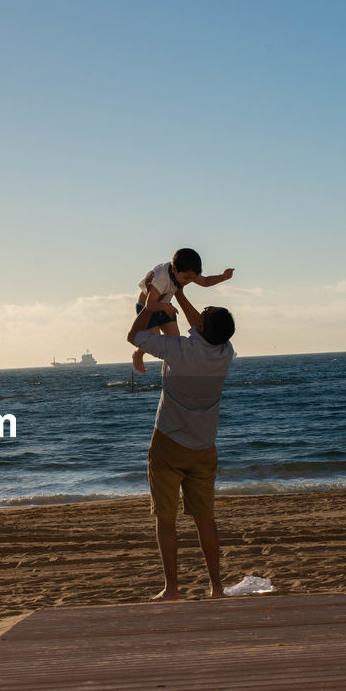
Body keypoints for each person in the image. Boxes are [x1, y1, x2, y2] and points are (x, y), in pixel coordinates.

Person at [126, 276, 236, 600]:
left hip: (169, 444)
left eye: (203, 313)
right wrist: (184, 293)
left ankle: (172, 588)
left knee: (166, 519)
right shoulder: (225, 353)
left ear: (200, 326)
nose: (198, 314)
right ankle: (217, 588)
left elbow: (134, 336)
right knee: (205, 521)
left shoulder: (178, 350)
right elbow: (200, 325)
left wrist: (150, 308)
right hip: (204, 447)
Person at [132, 248, 234, 374]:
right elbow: (150, 304)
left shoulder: (186, 271)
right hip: (149, 308)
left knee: (175, 340)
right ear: (174, 269)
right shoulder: (162, 278)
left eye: (193, 278)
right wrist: (165, 307)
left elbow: (205, 281)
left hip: (165, 305)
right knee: (154, 339)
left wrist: (222, 277)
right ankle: (138, 353)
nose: (189, 281)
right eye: (187, 278)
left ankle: (172, 372)